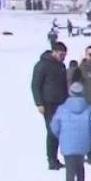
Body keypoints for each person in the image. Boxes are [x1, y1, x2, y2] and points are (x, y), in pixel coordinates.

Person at [50, 82, 91, 181]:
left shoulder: (62, 108)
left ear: (70, 93)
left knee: (69, 170)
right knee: (80, 167)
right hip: (82, 143)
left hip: (67, 143)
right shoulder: (88, 108)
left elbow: (54, 126)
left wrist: (60, 135)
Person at [31, 41, 69, 170]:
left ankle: (57, 157)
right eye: (61, 54)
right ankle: (51, 160)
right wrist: (39, 103)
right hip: (48, 104)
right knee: (53, 131)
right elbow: (35, 85)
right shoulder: (42, 65)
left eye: (64, 54)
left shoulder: (61, 66)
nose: (63, 57)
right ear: (54, 52)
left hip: (62, 103)